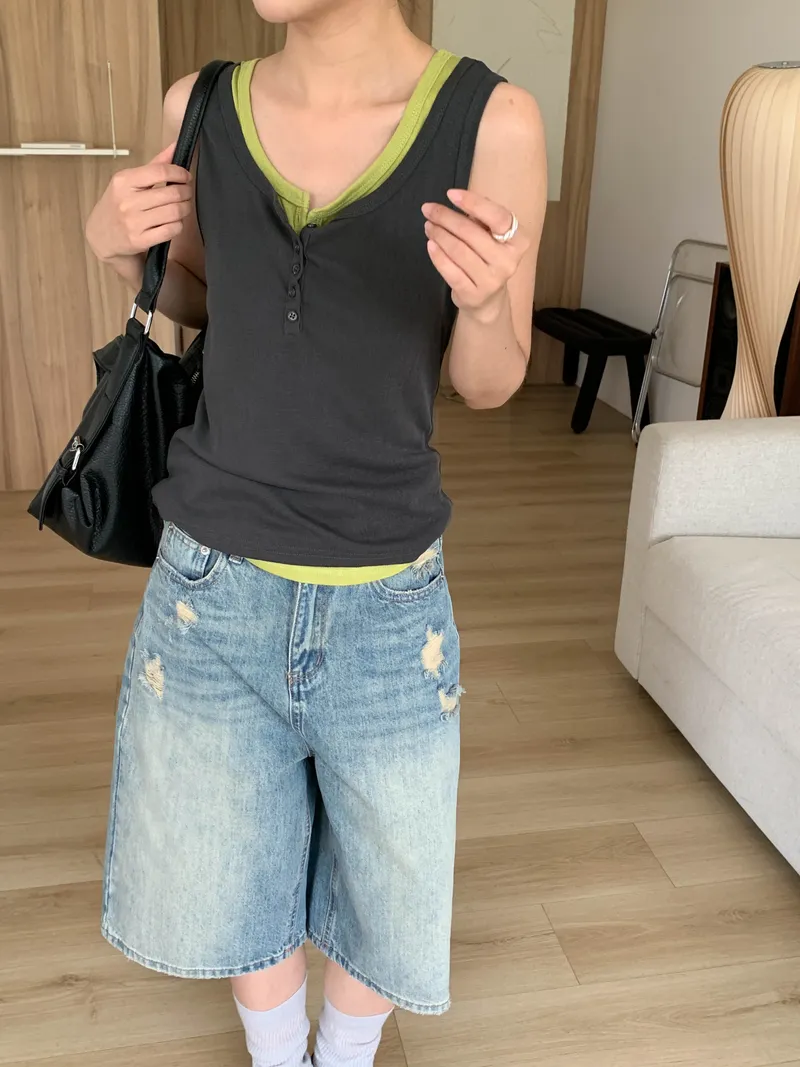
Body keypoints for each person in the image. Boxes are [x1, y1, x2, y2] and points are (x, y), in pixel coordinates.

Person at [86, 1, 546, 1063]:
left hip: (389, 598)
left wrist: (485, 309)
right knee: (231, 867)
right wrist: (115, 252)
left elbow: (489, 382)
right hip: (208, 585)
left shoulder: (494, 120)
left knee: (385, 882)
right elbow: (212, 300)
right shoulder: (199, 106)